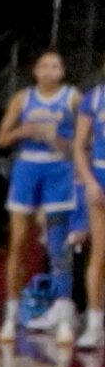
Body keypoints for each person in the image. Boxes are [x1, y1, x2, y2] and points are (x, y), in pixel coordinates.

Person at [0, 48, 80, 339]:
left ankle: (64, 314)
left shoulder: (73, 98)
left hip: (59, 170)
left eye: (54, 66)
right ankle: (11, 312)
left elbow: (85, 143)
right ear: (35, 71)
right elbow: (1, 138)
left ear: (62, 71)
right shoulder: (23, 98)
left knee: (59, 247)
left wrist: (56, 138)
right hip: (27, 169)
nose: (48, 71)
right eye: (43, 65)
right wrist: (23, 131)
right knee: (18, 242)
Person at [76, 68, 105, 349]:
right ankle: (95, 324)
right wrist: (89, 182)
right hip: (100, 180)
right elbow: (79, 147)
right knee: (99, 254)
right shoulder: (94, 99)